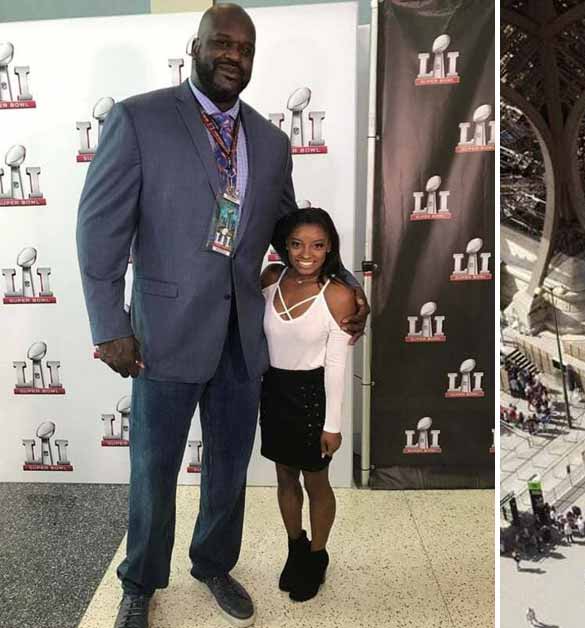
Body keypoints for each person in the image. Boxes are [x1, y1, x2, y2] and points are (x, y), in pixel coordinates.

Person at [76, 6, 370, 626]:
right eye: (222, 43)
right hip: (164, 333)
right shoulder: (139, 120)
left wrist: (342, 284)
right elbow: (99, 231)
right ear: (196, 47)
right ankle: (141, 579)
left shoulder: (269, 139)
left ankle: (213, 563)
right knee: (155, 468)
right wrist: (110, 327)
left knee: (230, 464)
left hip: (244, 338)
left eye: (246, 47)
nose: (234, 55)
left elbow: (293, 232)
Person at [261, 209, 357, 602]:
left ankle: (317, 556)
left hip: (311, 395)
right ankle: (295, 546)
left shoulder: (338, 294)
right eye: (298, 244)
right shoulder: (270, 280)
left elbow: (337, 365)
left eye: (317, 245)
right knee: (285, 477)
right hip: (274, 392)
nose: (306, 253)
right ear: (285, 246)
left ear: (330, 247)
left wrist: (332, 424)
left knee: (316, 481)